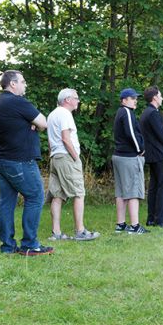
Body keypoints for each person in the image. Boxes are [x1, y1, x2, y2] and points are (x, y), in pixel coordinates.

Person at [0, 70, 53, 255]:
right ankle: (29, 244)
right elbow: (43, 122)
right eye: (23, 82)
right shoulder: (17, 101)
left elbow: (34, 124)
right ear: (13, 84)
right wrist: (32, 124)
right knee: (35, 197)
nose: (25, 85)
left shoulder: (0, 102)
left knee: (7, 202)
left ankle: (8, 247)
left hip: (2, 160)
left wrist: (29, 124)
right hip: (19, 161)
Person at [46, 88, 100, 241]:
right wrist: (76, 157)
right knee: (78, 193)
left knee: (57, 195)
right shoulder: (65, 114)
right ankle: (80, 231)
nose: (78, 101)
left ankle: (56, 233)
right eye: (76, 98)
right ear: (67, 100)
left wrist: (53, 155)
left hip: (55, 157)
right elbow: (65, 138)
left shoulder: (52, 114)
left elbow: (51, 141)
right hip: (67, 158)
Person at [113, 88, 149, 234]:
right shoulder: (126, 112)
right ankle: (135, 226)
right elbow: (131, 133)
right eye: (133, 98)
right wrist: (140, 149)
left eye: (136, 98)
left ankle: (120, 224)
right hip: (128, 157)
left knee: (121, 191)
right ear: (124, 100)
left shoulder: (120, 112)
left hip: (119, 156)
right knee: (133, 191)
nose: (136, 101)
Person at [140, 86, 163, 228]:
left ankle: (151, 218)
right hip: (160, 155)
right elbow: (162, 135)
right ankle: (160, 219)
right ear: (154, 97)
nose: (162, 98)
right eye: (160, 95)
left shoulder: (145, 113)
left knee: (154, 186)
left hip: (151, 155)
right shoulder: (153, 113)